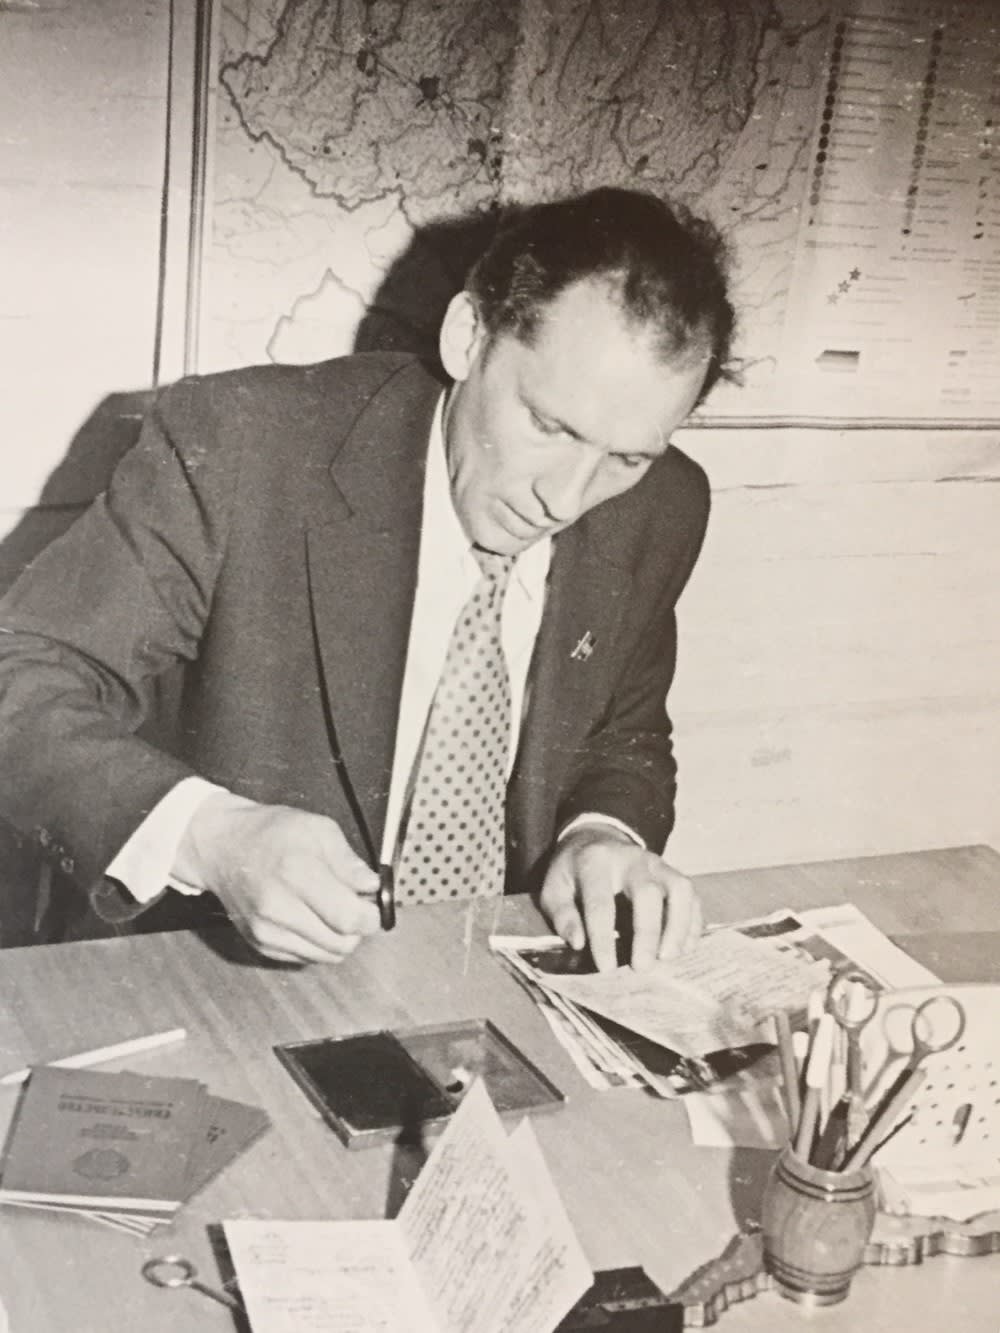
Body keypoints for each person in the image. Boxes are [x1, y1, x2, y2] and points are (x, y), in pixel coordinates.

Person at [0, 186, 735, 972]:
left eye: (626, 458)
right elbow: (22, 677)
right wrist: (210, 836)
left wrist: (601, 834)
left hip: (483, 973)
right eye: (549, 425)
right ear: (468, 336)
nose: (566, 497)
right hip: (205, 973)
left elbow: (624, 734)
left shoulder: (661, 507)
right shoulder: (244, 444)